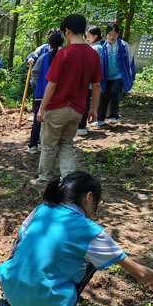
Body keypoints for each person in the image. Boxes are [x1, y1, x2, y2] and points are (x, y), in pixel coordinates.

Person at [0, 171, 153, 306]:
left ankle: (8, 302)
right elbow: (138, 272)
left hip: (9, 287)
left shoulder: (42, 210)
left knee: (22, 243)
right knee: (91, 260)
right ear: (89, 197)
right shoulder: (91, 232)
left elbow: (20, 239)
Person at [31, 14, 102, 186]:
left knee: (49, 145)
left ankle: (44, 178)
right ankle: (70, 181)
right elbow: (97, 85)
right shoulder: (93, 55)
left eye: (64, 34)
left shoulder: (64, 53)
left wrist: (42, 109)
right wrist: (94, 109)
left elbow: (52, 84)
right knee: (66, 144)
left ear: (67, 31)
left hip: (57, 108)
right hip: (77, 110)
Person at [27, 31, 64, 154]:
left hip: (40, 94)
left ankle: (33, 145)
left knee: (38, 120)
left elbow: (34, 72)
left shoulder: (43, 57)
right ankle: (52, 146)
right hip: (58, 96)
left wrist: (40, 84)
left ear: (49, 43)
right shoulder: (64, 58)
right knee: (55, 121)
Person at [94, 24, 136, 126]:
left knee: (114, 92)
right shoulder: (102, 47)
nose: (112, 37)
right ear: (106, 35)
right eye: (109, 34)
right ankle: (100, 119)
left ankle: (113, 116)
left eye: (115, 34)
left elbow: (131, 60)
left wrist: (131, 75)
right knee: (103, 95)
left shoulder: (123, 45)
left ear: (118, 34)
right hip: (106, 76)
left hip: (119, 75)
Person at [77, 26, 105, 136]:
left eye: (88, 36)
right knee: (84, 104)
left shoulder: (96, 48)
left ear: (95, 36)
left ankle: (81, 126)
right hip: (88, 81)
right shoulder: (95, 47)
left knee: (84, 104)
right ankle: (81, 125)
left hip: (88, 81)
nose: (87, 38)